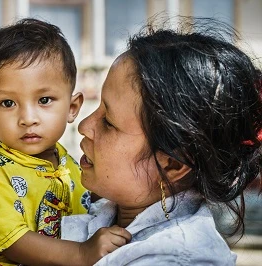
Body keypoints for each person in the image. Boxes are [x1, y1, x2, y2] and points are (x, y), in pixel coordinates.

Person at [62, 17, 262, 265]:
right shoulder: (87, 205)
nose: (85, 126)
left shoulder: (178, 258)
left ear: (172, 165)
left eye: (109, 122)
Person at [0, 18, 131, 266]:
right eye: (8, 103)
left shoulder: (69, 165)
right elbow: (13, 241)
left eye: (45, 100)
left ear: (72, 108)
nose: (28, 119)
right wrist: (82, 253)